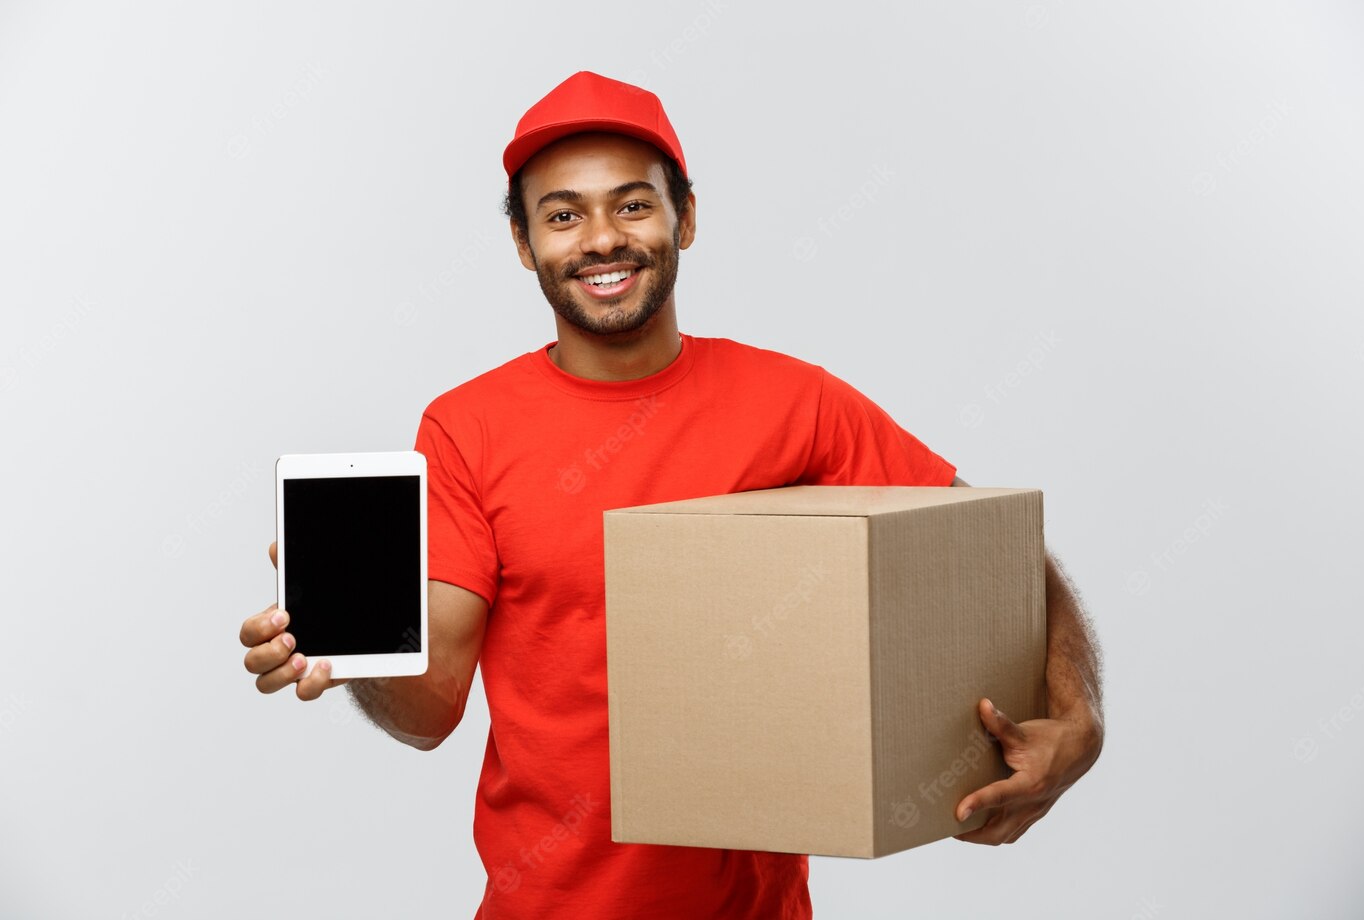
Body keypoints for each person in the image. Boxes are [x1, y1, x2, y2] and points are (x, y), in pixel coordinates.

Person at [239, 71, 1105, 919]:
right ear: (523, 244)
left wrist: (1079, 716)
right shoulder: (467, 429)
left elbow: (996, 550)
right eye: (563, 214)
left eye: (633, 204)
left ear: (685, 218)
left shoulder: (796, 403)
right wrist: (354, 652)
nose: (602, 238)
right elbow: (429, 715)